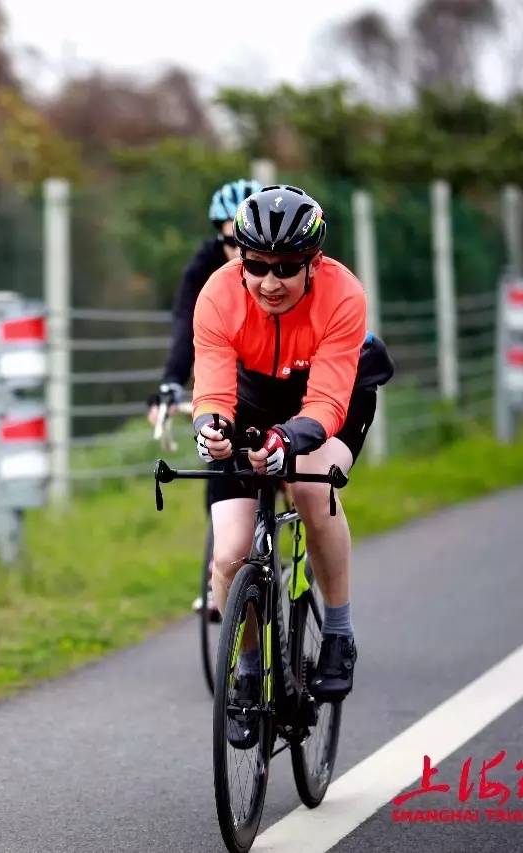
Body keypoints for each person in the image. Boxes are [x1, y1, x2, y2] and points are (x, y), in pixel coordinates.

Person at [191, 184, 393, 748]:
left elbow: (327, 402)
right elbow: (210, 386)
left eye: (286, 268)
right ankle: (249, 668)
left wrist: (289, 441)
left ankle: (338, 631)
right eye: (256, 265)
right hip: (253, 394)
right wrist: (211, 428)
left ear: (314, 262)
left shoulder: (342, 294)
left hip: (333, 394)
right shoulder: (218, 294)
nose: (269, 282)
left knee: (310, 491)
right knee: (230, 553)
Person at [146, 178, 263, 618]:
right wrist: (171, 381)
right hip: (223, 365)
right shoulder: (205, 267)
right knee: (219, 450)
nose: (236, 251)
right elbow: (183, 325)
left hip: (275, 373)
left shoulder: (276, 267)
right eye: (227, 240)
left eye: (243, 240)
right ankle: (224, 568)